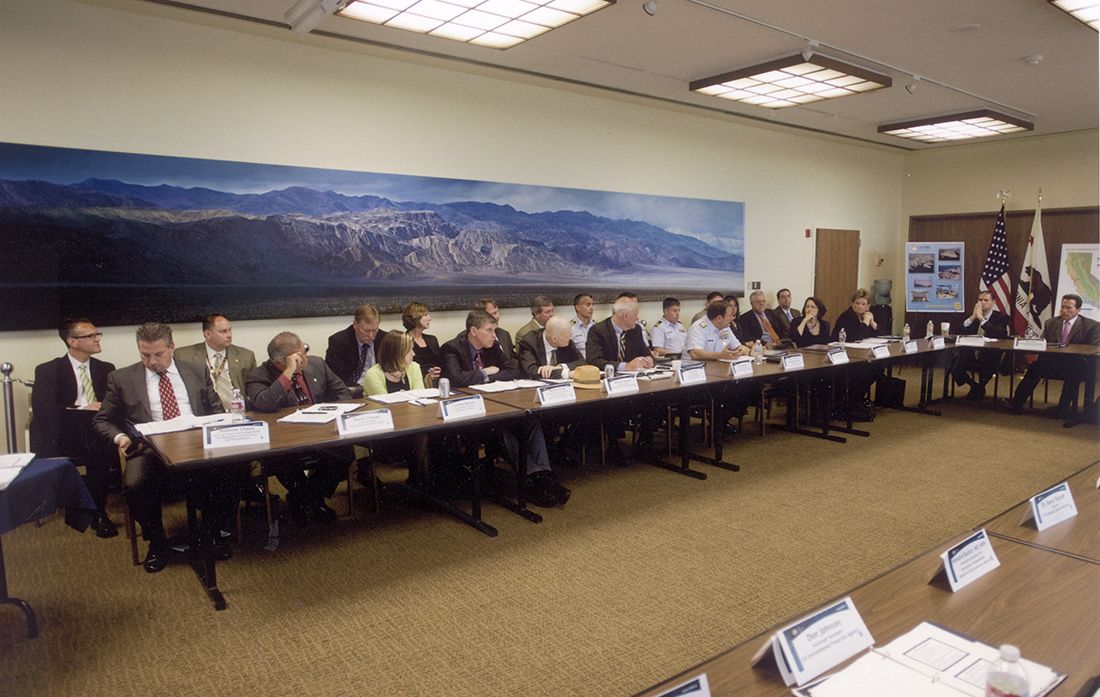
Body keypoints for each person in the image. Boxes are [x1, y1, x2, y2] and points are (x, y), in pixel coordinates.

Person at [92, 322, 231, 573]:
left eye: (158, 354)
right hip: (148, 449)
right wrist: (121, 438)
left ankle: (212, 534)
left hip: (196, 444)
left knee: (231, 468)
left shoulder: (196, 370)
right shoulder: (122, 378)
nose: (152, 361)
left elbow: (216, 411)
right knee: (134, 484)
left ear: (172, 348)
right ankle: (157, 542)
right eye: (145, 355)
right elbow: (102, 419)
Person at [441, 310, 569, 507]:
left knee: (531, 421)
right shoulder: (452, 348)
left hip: (498, 403)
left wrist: (485, 376)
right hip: (470, 412)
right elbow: (456, 379)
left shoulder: (492, 347)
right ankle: (536, 480)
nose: (494, 335)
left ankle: (543, 474)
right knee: (500, 430)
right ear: (474, 331)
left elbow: (513, 370)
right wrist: (485, 372)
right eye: (490, 330)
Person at [247, 332, 354, 523]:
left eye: (304, 351)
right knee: (283, 458)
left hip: (321, 431)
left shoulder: (317, 364)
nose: (304, 359)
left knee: (345, 451)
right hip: (285, 438)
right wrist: (288, 372)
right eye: (298, 357)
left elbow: (342, 393)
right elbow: (264, 403)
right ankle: (308, 499)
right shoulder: (259, 375)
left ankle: (307, 497)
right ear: (279, 362)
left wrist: (331, 413)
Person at [31, 318, 118, 538]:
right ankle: (90, 510)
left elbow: (114, 403)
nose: (97, 339)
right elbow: (44, 410)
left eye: (98, 334)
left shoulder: (106, 369)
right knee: (95, 445)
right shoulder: (48, 370)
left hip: (96, 430)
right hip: (64, 432)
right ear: (72, 341)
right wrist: (81, 407)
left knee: (99, 444)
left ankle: (98, 513)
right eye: (90, 336)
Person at [1007, 294, 1100, 418]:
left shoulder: (1091, 325)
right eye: (1062, 307)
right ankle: (1017, 402)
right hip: (1055, 362)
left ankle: (1063, 408)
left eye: (1069, 308)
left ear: (1078, 310)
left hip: (1078, 365)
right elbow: (1043, 343)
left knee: (1074, 372)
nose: (1064, 310)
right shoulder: (1051, 322)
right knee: (1035, 367)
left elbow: (1093, 349)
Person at [363, 332, 430, 485]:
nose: (413, 354)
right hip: (385, 434)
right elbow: (388, 408)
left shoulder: (413, 367)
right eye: (409, 350)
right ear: (396, 353)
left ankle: (423, 482)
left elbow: (420, 398)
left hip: (413, 426)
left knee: (433, 435)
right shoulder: (373, 374)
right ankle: (419, 484)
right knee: (422, 437)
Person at [173, 313, 256, 411]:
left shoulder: (245, 356)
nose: (229, 335)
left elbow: (253, 390)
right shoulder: (183, 356)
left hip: (237, 412)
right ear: (207, 334)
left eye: (230, 330)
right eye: (223, 331)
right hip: (204, 413)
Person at [830, 289, 883, 420]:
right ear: (852, 304)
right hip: (843, 356)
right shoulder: (847, 317)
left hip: (859, 355)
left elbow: (877, 335)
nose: (860, 306)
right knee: (864, 371)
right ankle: (853, 400)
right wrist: (865, 322)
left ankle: (857, 398)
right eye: (857, 303)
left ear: (868, 305)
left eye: (863, 304)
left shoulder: (867, 315)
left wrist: (873, 324)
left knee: (878, 368)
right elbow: (856, 336)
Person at [950, 291, 1011, 401]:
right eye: (980, 300)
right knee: (951, 362)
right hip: (970, 353)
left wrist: (982, 319)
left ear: (993, 302)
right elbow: (957, 332)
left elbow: (999, 334)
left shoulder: (1001, 317)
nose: (982, 303)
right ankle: (975, 386)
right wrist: (973, 317)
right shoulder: (973, 315)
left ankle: (979, 387)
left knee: (988, 362)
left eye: (986, 300)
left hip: (990, 354)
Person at [325, 303, 387, 391]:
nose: (371, 335)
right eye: (366, 330)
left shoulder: (385, 339)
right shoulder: (338, 342)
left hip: (380, 388)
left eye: (374, 330)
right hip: (351, 390)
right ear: (355, 324)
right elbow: (336, 377)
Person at [585, 297, 655, 371]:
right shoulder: (598, 331)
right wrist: (625, 366)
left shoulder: (636, 330)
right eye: (635, 315)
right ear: (625, 316)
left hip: (633, 378)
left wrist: (649, 360)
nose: (637, 318)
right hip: (608, 378)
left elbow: (646, 353)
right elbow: (594, 361)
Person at [518, 315, 586, 378]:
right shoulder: (529, 342)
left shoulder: (566, 340)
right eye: (568, 336)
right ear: (555, 339)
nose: (570, 338)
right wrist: (565, 373)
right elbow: (531, 371)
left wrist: (560, 367)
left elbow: (582, 362)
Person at [402, 302, 442, 385]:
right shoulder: (403, 340)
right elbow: (405, 368)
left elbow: (440, 362)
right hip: (415, 383)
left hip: (438, 382)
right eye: (426, 315)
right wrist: (428, 376)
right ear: (416, 317)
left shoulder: (432, 339)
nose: (429, 318)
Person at [570, 293, 596, 359]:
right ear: (577, 307)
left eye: (592, 305)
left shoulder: (597, 326)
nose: (592, 308)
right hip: (578, 365)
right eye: (588, 305)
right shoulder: (570, 328)